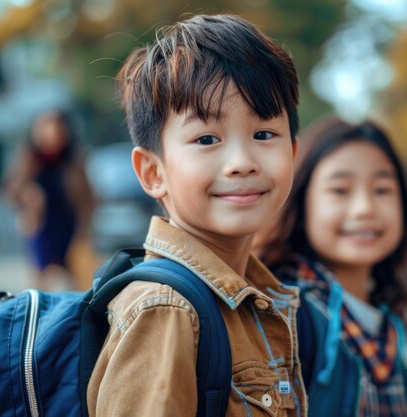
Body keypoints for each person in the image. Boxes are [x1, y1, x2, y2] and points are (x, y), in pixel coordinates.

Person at [87, 15, 306, 417]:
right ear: (154, 173)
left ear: (292, 154)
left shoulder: (255, 293)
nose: (241, 163)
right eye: (207, 139)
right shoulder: (165, 312)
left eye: (263, 134)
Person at [259, 116, 407, 417]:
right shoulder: (286, 320)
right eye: (340, 190)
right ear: (301, 203)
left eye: (382, 190)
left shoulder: (383, 327)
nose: (365, 207)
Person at [2, 110, 95, 290]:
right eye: (47, 126)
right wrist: (28, 196)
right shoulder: (29, 157)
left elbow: (87, 198)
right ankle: (39, 315)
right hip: (40, 225)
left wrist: (85, 229)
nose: (53, 132)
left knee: (75, 279)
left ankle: (74, 315)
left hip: (68, 222)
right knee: (40, 277)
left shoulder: (73, 158)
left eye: (57, 126)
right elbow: (10, 191)